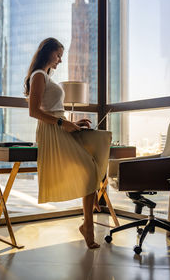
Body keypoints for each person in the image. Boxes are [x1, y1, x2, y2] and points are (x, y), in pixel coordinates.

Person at [24, 37, 111, 249]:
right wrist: (63, 123)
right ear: (48, 52)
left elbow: (54, 110)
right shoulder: (38, 76)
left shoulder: (46, 76)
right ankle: (88, 226)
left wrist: (73, 122)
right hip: (51, 131)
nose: (60, 60)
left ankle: (87, 223)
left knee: (97, 152)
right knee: (89, 170)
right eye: (58, 55)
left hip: (59, 127)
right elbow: (34, 112)